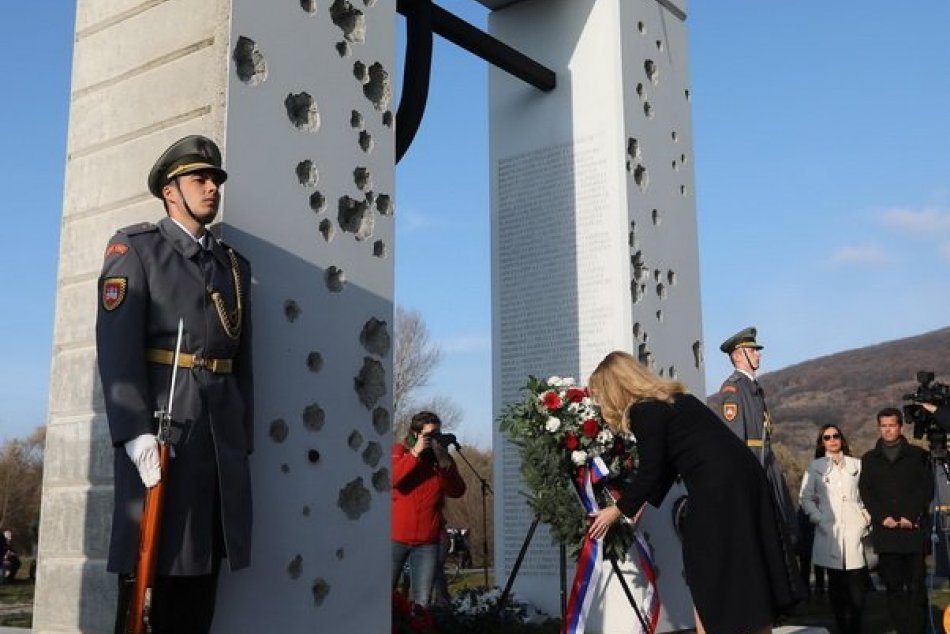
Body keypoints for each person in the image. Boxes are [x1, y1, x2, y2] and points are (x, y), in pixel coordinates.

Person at [96, 135, 254, 634]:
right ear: (171, 191)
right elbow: (117, 352)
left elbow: (243, 361)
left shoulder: (232, 266)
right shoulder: (136, 250)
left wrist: (242, 436)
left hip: (218, 442)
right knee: (151, 584)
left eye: (215, 180)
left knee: (201, 582)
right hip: (165, 438)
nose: (212, 188)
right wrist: (134, 432)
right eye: (199, 179)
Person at [587, 351, 802, 634]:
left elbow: (652, 470)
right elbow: (668, 464)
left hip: (718, 490)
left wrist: (617, 510)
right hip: (743, 482)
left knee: (705, 565)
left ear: (616, 388)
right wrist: (640, 502)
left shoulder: (644, 410)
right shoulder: (675, 400)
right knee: (746, 563)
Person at [717, 327, 799, 544]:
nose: (758, 354)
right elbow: (734, 441)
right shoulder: (733, 389)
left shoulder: (752, 387)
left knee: (782, 526)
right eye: (752, 351)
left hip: (766, 461)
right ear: (737, 356)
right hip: (754, 463)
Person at [858, 408, 933, 634]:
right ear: (878, 427)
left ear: (900, 426)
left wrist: (911, 516)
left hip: (913, 531)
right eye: (883, 425)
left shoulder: (919, 455)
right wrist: (883, 517)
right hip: (886, 533)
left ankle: (917, 629)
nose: (887, 429)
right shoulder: (870, 459)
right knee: (893, 588)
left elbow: (926, 488)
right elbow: (866, 491)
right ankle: (902, 629)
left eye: (892, 425)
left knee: (916, 588)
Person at [799, 425, 870, 634]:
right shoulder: (815, 467)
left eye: (835, 436)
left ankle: (856, 627)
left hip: (854, 529)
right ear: (822, 442)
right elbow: (805, 497)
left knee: (857, 586)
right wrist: (818, 518)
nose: (832, 440)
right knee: (837, 587)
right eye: (826, 437)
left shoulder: (857, 465)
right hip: (828, 531)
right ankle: (841, 627)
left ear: (841, 438)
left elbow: (867, 494)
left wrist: (865, 518)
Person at [392, 411, 466, 607]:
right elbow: (392, 479)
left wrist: (445, 464)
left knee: (421, 602)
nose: (435, 439)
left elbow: (458, 491)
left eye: (438, 434)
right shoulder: (400, 451)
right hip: (395, 538)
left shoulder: (440, 461)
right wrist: (415, 453)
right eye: (430, 435)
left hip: (427, 541)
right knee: (384, 594)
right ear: (416, 434)